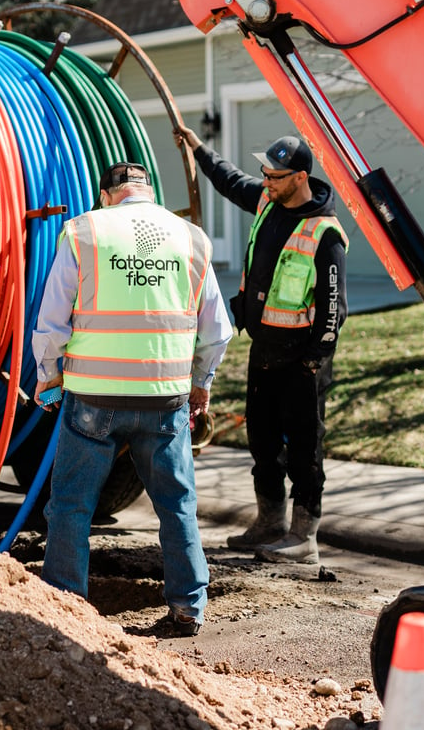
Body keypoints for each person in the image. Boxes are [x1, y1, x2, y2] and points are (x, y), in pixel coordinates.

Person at [32, 161, 233, 636]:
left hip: (93, 397)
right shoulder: (192, 239)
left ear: (107, 195)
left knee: (71, 506)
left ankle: (66, 605)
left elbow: (53, 318)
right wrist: (200, 382)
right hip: (165, 398)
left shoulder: (84, 232)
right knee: (176, 503)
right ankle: (188, 606)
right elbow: (217, 332)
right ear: (149, 191)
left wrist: (47, 375)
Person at [175, 127, 348, 566]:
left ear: (300, 177)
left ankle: (303, 536)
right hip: (264, 350)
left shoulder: (324, 232)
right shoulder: (268, 203)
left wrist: (313, 361)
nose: (266, 181)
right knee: (263, 442)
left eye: (274, 175)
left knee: (305, 447)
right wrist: (198, 149)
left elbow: (334, 310)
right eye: (265, 173)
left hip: (301, 361)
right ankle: (269, 523)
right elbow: (231, 180)